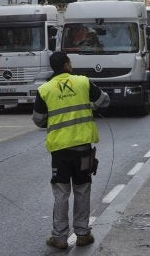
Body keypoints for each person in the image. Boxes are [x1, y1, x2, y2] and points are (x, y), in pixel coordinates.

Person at [32, 51, 110, 250]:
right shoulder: (83, 82)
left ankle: (59, 237)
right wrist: (89, 105)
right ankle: (83, 234)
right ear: (67, 64)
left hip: (60, 152)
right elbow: (104, 101)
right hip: (83, 149)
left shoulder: (44, 90)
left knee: (61, 192)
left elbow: (39, 120)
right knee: (82, 189)